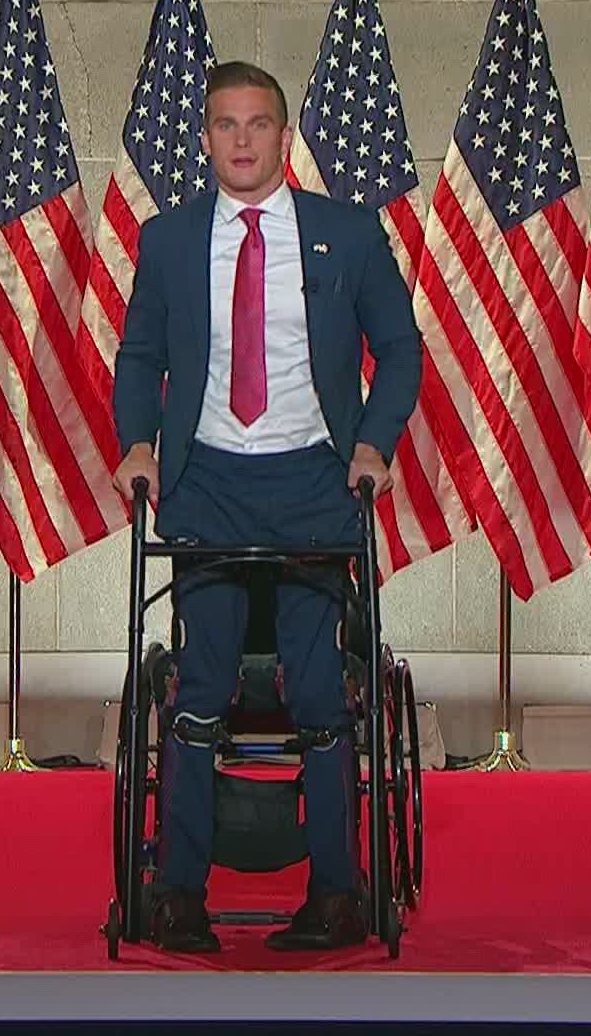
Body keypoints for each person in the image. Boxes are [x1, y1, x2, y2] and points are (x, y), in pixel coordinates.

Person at [111, 61, 422, 953]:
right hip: (207, 478)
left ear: (284, 139)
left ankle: (336, 894)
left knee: (319, 689)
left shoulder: (347, 234)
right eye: (224, 125)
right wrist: (140, 444)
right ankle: (177, 893)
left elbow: (399, 349)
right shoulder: (167, 240)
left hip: (311, 481)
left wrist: (374, 444)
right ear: (203, 138)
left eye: (257, 125)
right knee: (199, 691)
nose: (241, 141)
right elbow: (139, 356)